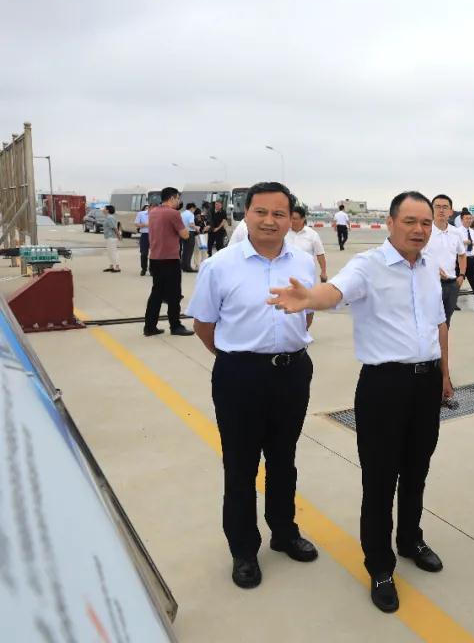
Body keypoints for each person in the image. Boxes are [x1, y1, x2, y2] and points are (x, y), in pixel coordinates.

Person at [267, 191, 455, 614]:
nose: (419, 230)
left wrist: (444, 373)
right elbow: (334, 292)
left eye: (426, 222)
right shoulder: (367, 266)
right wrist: (309, 298)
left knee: (417, 470)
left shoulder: (429, 267)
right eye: (410, 221)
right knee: (380, 479)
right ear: (390, 223)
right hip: (384, 387)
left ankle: (410, 539)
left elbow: (439, 324)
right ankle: (380, 565)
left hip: (426, 383)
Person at [187, 181, 319, 590]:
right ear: (246, 214)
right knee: (240, 465)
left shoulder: (304, 263)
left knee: (284, 459)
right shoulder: (220, 266)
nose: (270, 220)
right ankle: (243, 550)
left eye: (279, 213)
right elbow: (204, 325)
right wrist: (237, 357)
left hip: (292, 373)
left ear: (290, 219)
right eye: (261, 212)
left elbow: (307, 314)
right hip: (240, 377)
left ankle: (284, 531)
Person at [143, 187, 194, 337]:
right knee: (174, 294)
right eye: (177, 198)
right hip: (170, 259)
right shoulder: (173, 213)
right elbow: (185, 234)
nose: (179, 201)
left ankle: (149, 327)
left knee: (156, 293)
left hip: (155, 258)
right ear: (172, 198)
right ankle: (175, 325)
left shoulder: (153, 212)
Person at [424, 194, 468, 326]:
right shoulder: (425, 231)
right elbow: (414, 257)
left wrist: (462, 275)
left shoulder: (456, 233)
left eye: (445, 207)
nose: (441, 210)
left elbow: (462, 254)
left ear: (451, 211)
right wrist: (432, 269)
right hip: (430, 284)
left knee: (445, 323)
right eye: (437, 207)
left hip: (452, 285)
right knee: (429, 324)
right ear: (431, 210)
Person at [286, 205, 328, 282]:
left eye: (295, 219)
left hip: (306, 275)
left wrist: (323, 271)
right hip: (286, 274)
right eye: (290, 218)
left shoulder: (312, 234)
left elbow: (320, 254)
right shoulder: (284, 233)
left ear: (303, 219)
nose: (292, 221)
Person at [102, 205, 121, 273]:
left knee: (113, 252)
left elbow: (115, 228)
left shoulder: (110, 218)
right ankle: (112, 266)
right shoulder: (107, 217)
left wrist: (119, 236)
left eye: (104, 208)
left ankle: (117, 267)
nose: (103, 209)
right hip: (108, 237)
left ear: (108, 210)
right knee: (109, 252)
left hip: (112, 237)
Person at [181, 203, 198, 272]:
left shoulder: (182, 213)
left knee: (185, 250)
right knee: (189, 250)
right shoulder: (191, 214)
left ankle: (183, 266)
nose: (194, 211)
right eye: (194, 209)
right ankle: (188, 267)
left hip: (183, 232)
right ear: (192, 208)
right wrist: (197, 228)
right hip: (190, 233)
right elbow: (191, 224)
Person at [135, 204, 151, 276]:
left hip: (155, 235)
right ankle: (144, 269)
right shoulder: (141, 214)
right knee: (144, 253)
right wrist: (145, 225)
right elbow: (136, 224)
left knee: (154, 254)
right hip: (144, 235)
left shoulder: (158, 214)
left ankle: (152, 269)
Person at [192, 205, 209, 269]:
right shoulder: (193, 219)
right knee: (197, 250)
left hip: (204, 235)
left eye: (199, 215)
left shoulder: (204, 217)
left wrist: (207, 227)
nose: (198, 216)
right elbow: (192, 226)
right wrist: (196, 229)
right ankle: (197, 265)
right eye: (197, 215)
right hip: (196, 235)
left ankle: (204, 264)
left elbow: (209, 225)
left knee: (204, 250)